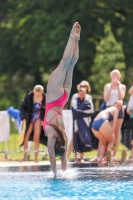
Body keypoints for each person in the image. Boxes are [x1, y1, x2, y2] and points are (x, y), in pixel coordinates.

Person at [43, 22, 81, 178]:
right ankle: (73, 36)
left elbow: (62, 157)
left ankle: (77, 40)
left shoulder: (63, 136)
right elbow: (52, 156)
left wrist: (62, 173)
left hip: (63, 98)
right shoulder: (52, 134)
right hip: (53, 97)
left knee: (71, 65)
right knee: (64, 63)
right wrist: (55, 174)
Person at [67, 80, 94, 160]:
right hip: (76, 121)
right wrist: (82, 112)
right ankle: (69, 156)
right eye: (82, 86)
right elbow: (74, 109)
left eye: (85, 86)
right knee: (74, 138)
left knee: (82, 137)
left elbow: (90, 110)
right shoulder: (75, 96)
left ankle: (81, 157)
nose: (83, 88)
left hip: (84, 121)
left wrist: (81, 112)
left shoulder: (89, 97)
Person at [20, 85, 47, 162]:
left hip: (39, 118)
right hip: (29, 118)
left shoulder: (45, 98)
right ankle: (25, 157)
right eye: (36, 93)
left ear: (42, 92)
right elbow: (22, 107)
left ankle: (36, 158)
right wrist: (23, 117)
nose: (37, 95)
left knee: (36, 137)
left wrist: (43, 120)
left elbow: (47, 110)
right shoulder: (29, 96)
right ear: (33, 91)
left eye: (39, 94)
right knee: (26, 137)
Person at [103, 69, 126, 160]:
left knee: (116, 133)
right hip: (109, 109)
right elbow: (106, 99)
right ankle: (107, 152)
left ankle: (114, 155)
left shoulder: (122, 86)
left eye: (117, 76)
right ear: (111, 77)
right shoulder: (107, 86)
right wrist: (111, 87)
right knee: (108, 132)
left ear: (119, 77)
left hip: (119, 109)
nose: (115, 78)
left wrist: (118, 87)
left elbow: (121, 98)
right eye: (113, 76)